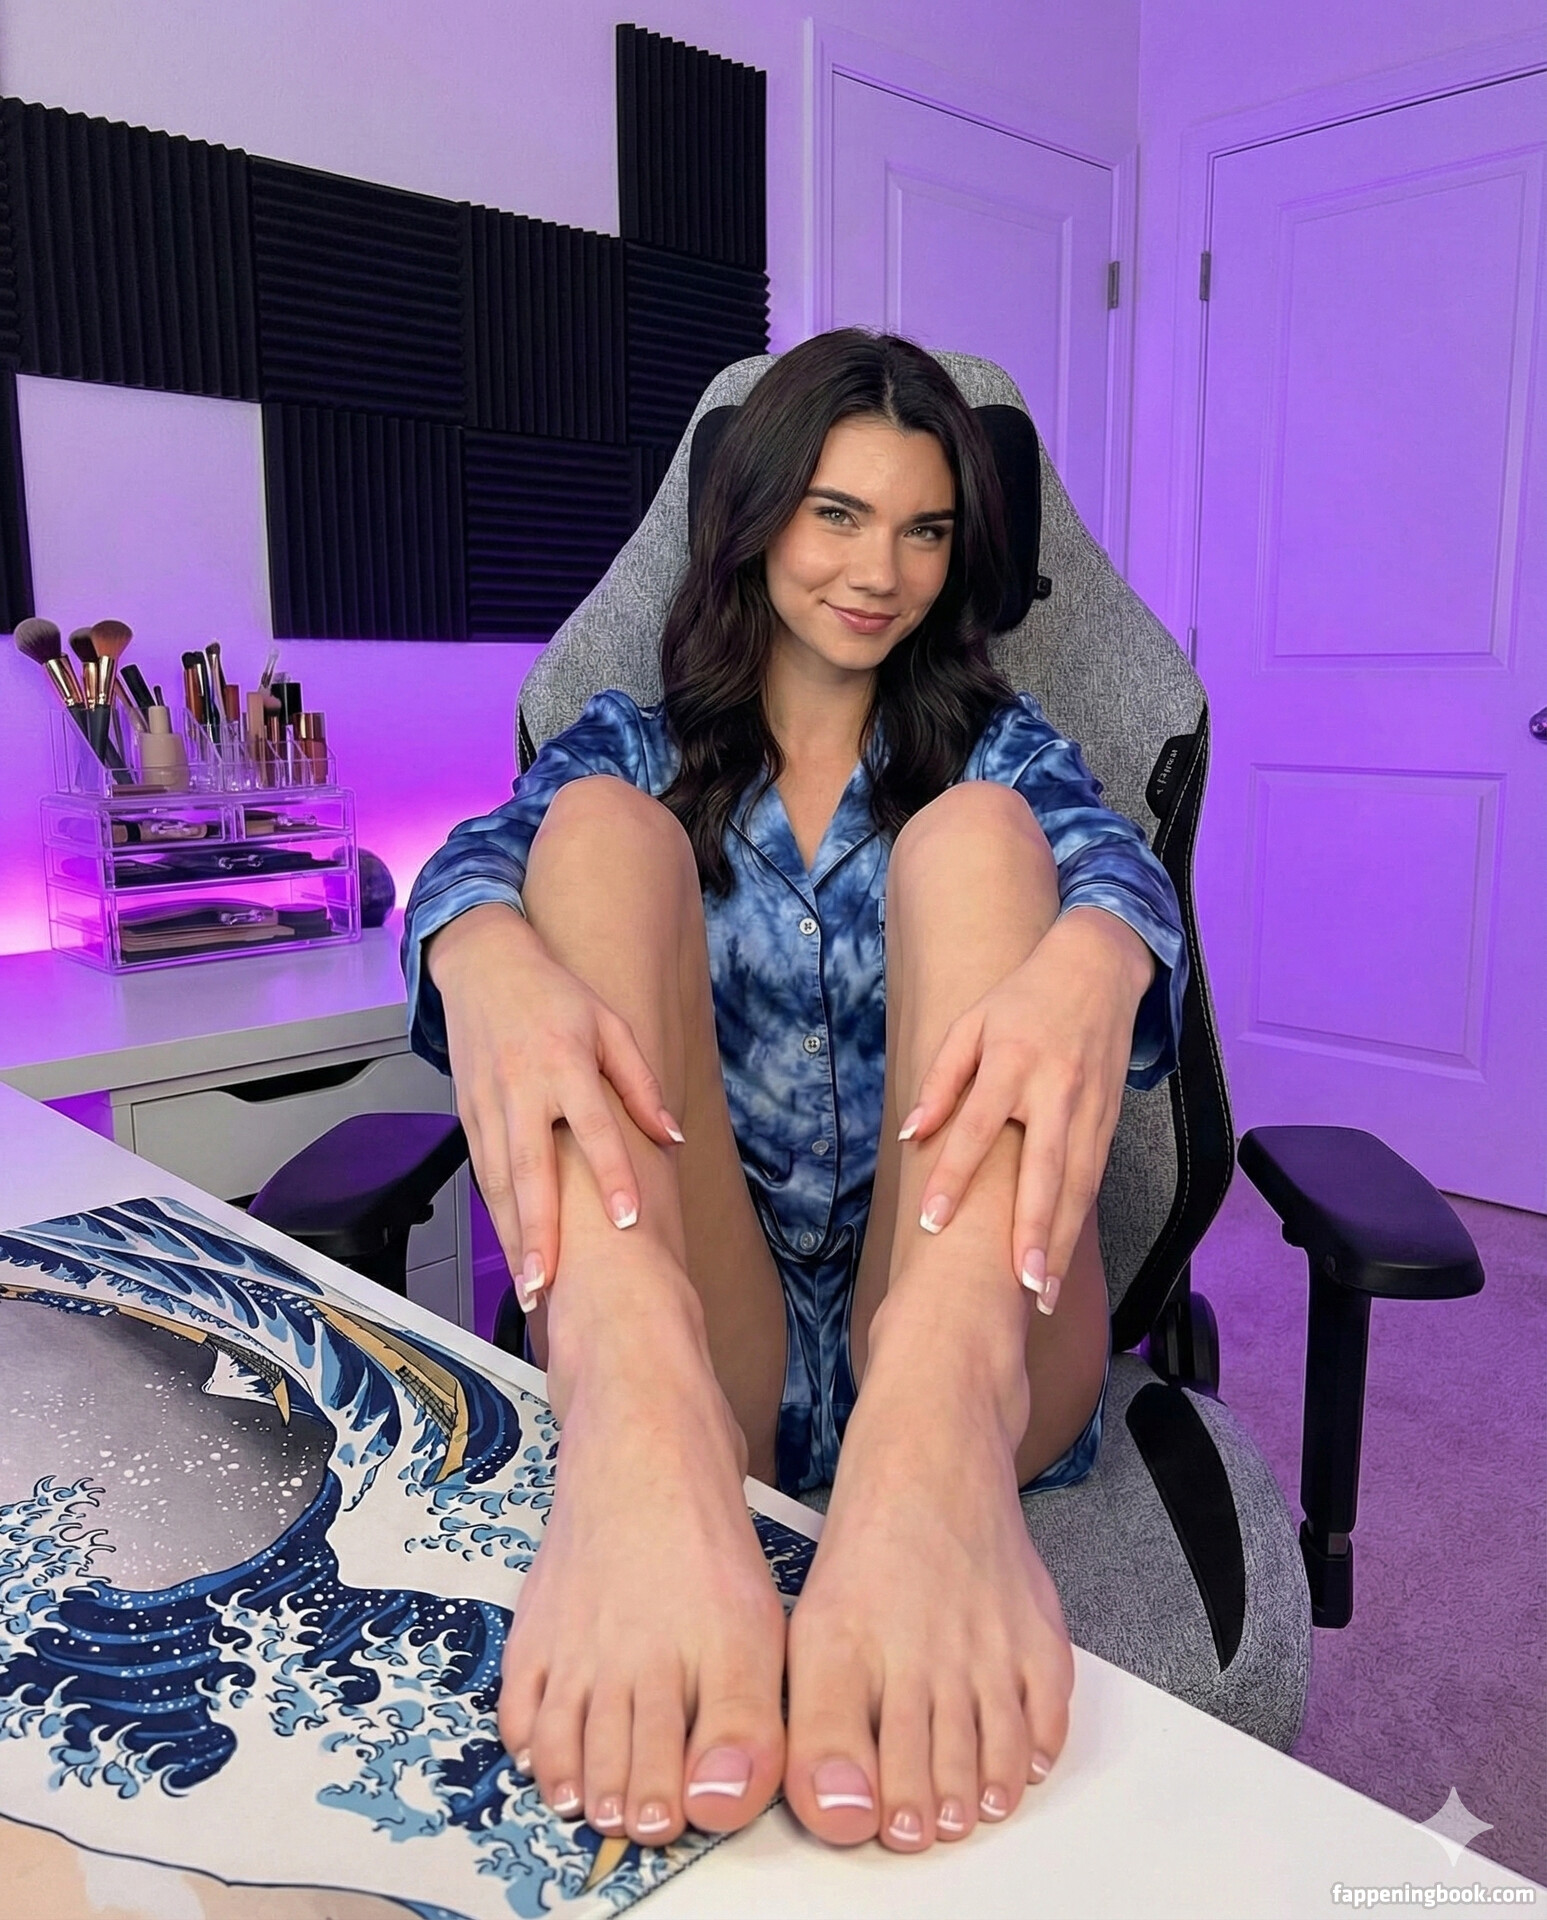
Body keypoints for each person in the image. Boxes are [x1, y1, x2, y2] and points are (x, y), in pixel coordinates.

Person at [401, 329, 1187, 1856]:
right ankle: (635, 1418)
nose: (879, 571)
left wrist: (1099, 952)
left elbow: (1113, 863)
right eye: (838, 513)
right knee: (590, 837)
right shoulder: (637, 742)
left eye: (923, 528)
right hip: (711, 1329)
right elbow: (471, 862)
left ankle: (933, 1450)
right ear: (756, 517)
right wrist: (483, 948)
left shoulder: (999, 750)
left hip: (968, 1323)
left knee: (986, 842)